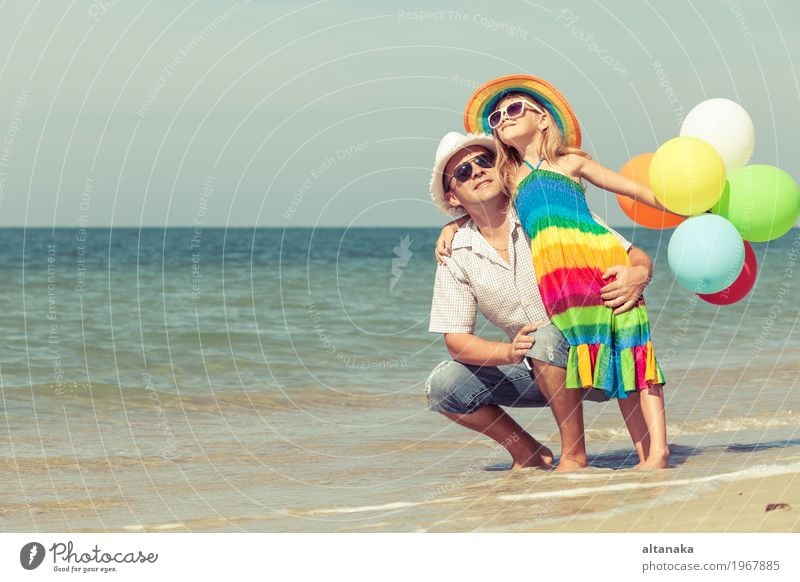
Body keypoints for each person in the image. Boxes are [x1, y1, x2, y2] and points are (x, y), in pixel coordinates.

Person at [456, 74, 670, 469]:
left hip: (604, 265)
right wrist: (451, 228)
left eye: (514, 108)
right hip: (562, 286)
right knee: (610, 360)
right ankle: (641, 453)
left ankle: (656, 451)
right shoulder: (508, 176)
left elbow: (632, 190)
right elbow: (479, 205)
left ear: (542, 118)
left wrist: (686, 205)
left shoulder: (572, 162)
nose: (503, 118)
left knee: (635, 357)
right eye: (496, 117)